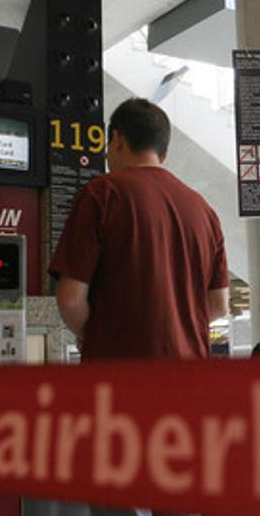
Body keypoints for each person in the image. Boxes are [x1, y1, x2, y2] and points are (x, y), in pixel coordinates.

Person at [50, 98, 230, 360]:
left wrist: (100, 337)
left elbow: (70, 299)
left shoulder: (102, 194)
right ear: (163, 153)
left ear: (117, 139)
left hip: (121, 377)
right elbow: (218, 304)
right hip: (189, 380)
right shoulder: (204, 210)